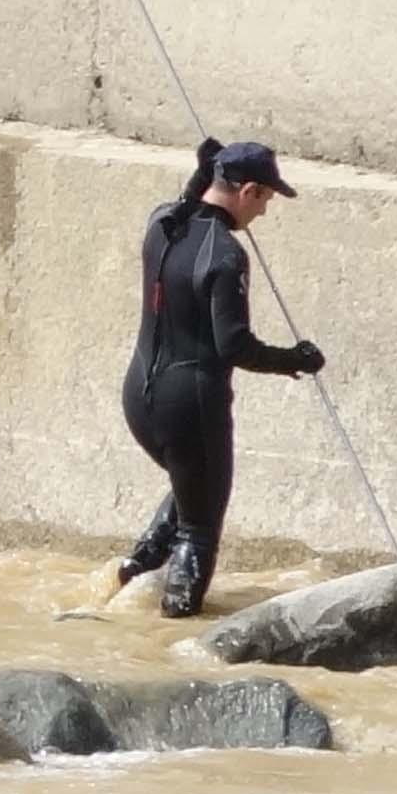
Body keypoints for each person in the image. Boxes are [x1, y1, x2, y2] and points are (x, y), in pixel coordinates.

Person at [116, 138, 324, 617]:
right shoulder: (226, 256)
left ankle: (126, 581)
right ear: (248, 190)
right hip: (190, 404)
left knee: (190, 490)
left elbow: (187, 201)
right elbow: (234, 346)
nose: (264, 212)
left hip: (140, 399)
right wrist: (296, 357)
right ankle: (176, 627)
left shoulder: (161, 223)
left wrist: (200, 171)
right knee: (200, 528)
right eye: (266, 199)